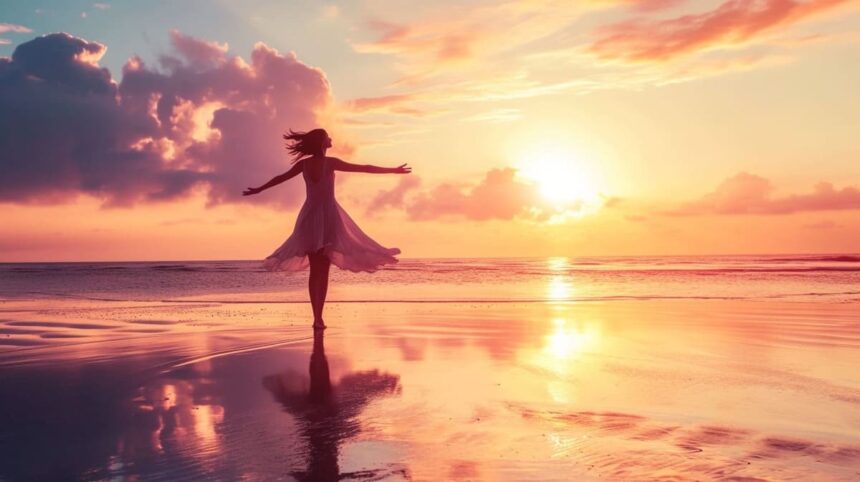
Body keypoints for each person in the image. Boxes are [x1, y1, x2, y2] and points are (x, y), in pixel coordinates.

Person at [243, 128, 411, 329]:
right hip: (328, 216)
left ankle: (317, 318)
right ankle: (318, 318)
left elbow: (281, 178)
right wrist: (392, 170)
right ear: (322, 142)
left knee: (316, 271)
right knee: (323, 271)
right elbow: (364, 167)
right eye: (328, 137)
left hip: (309, 217)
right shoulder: (330, 163)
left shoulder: (304, 165)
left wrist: (260, 189)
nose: (331, 138)